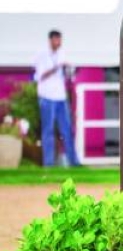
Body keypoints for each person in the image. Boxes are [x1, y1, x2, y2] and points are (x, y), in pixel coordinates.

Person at [33, 29, 80, 167]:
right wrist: (57, 66)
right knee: (48, 130)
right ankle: (48, 163)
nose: (58, 42)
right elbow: (40, 75)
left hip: (60, 97)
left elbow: (67, 74)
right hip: (46, 97)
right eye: (56, 39)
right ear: (51, 40)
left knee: (67, 130)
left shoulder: (62, 53)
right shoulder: (41, 54)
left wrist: (68, 69)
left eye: (60, 40)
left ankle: (74, 162)